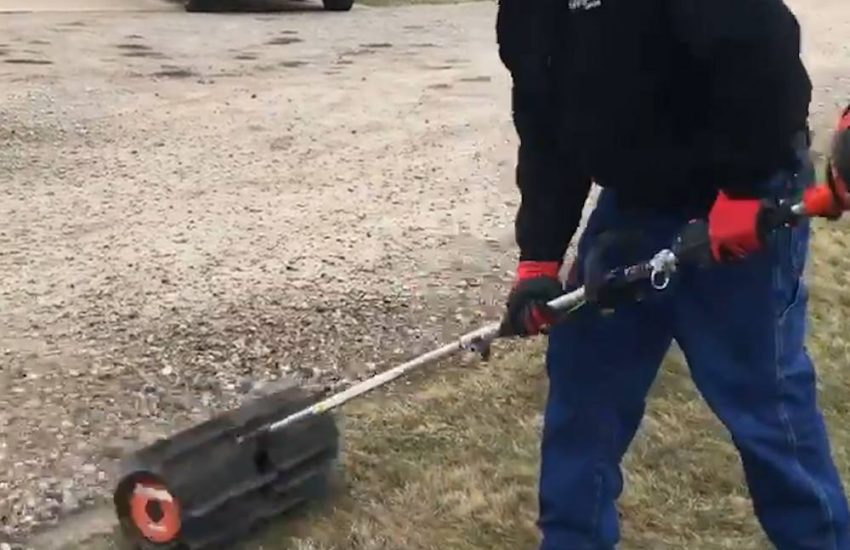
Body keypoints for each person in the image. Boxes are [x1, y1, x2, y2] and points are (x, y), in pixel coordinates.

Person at [495, 1, 850, 549]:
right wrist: (539, 255)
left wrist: (747, 187)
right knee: (583, 392)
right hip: (634, 205)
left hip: (743, 193)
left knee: (763, 403)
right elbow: (544, 124)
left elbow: (759, 46)